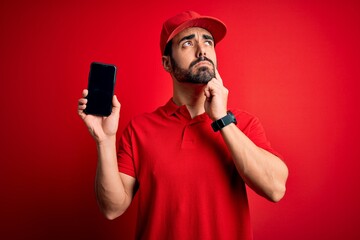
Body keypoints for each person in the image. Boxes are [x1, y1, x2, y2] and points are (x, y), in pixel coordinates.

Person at [78, 10, 288, 240]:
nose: (202, 50)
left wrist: (222, 120)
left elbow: (275, 189)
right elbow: (112, 208)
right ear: (167, 63)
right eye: (188, 43)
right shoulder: (140, 129)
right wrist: (105, 140)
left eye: (208, 41)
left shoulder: (243, 124)